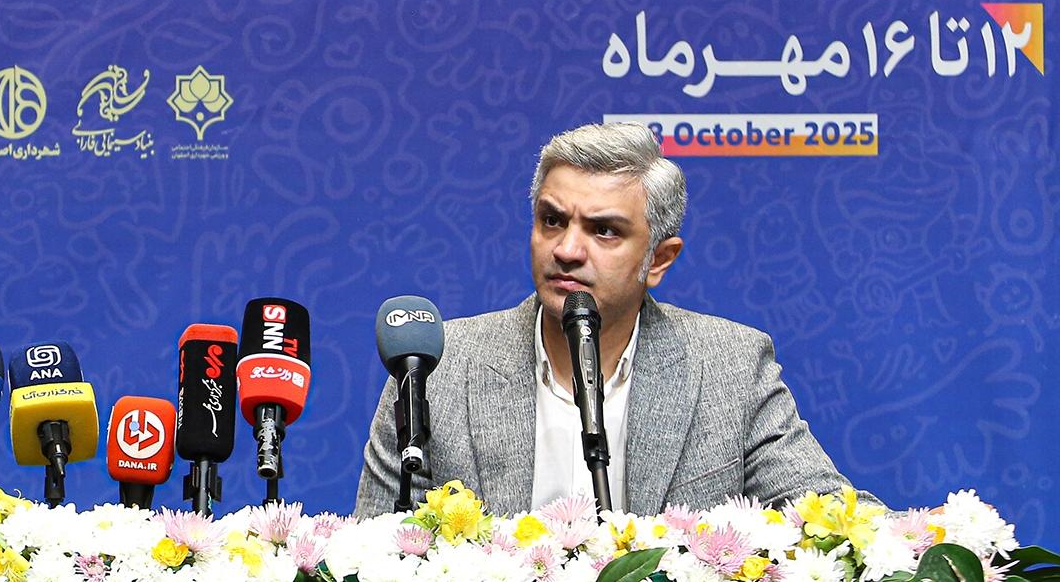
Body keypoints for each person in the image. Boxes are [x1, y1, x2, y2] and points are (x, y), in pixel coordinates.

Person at [357, 122, 864, 516]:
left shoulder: (730, 368)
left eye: (604, 231)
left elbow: (835, 525)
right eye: (552, 220)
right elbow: (377, 549)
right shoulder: (433, 366)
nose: (567, 250)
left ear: (659, 259)